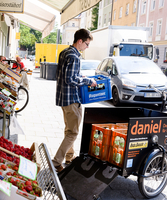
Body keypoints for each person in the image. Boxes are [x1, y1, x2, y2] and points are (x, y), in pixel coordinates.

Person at [52, 29, 97, 173]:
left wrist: (79, 75)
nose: (87, 47)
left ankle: (70, 157)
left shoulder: (65, 52)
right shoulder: (74, 56)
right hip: (72, 99)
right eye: (87, 44)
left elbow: (67, 74)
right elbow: (70, 79)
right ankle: (56, 161)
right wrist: (88, 80)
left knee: (69, 130)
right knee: (73, 133)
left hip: (63, 98)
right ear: (80, 41)